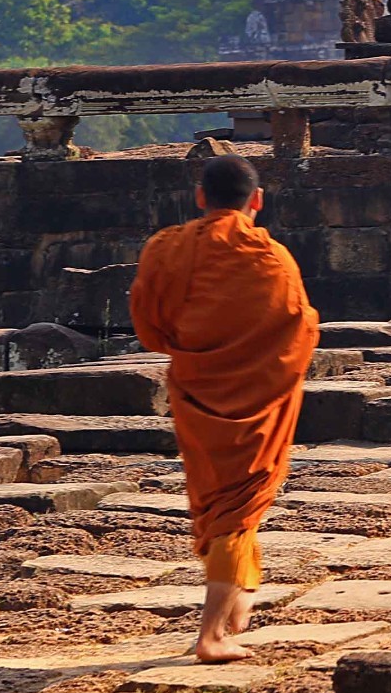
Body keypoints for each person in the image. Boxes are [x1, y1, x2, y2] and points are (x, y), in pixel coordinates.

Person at [129, 154, 319, 662]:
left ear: (199, 198)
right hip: (258, 402)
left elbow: (150, 326)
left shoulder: (167, 249)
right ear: (257, 201)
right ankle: (210, 635)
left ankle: (236, 600)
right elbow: (300, 331)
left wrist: (196, 351)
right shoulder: (273, 259)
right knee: (235, 511)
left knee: (223, 507)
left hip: (196, 393)